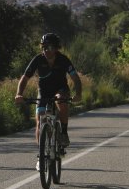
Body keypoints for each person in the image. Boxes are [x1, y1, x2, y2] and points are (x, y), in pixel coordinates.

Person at [14, 33, 82, 169]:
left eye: (50, 47)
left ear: (56, 48)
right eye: (44, 47)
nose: (47, 50)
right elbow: (25, 78)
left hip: (60, 89)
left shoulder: (63, 60)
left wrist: (78, 94)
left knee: (61, 100)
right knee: (40, 120)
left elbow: (75, 78)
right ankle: (41, 156)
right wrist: (19, 94)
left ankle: (63, 132)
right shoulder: (38, 60)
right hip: (43, 91)